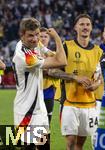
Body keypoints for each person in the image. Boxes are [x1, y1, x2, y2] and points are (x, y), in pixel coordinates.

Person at [12, 17, 67, 149]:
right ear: (22, 35)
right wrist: (57, 38)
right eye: (31, 35)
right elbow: (62, 61)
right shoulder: (25, 57)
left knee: (44, 147)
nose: (36, 39)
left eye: (37, 34)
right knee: (28, 148)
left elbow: (52, 54)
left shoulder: (32, 44)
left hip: (39, 108)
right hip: (26, 111)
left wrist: (52, 54)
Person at [60, 14, 103, 150]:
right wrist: (75, 77)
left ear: (91, 28)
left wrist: (95, 85)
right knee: (71, 142)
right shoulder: (66, 46)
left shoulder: (98, 51)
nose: (85, 27)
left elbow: (100, 77)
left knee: (80, 144)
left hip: (89, 104)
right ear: (75, 27)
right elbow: (53, 71)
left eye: (87, 25)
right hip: (68, 102)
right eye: (82, 24)